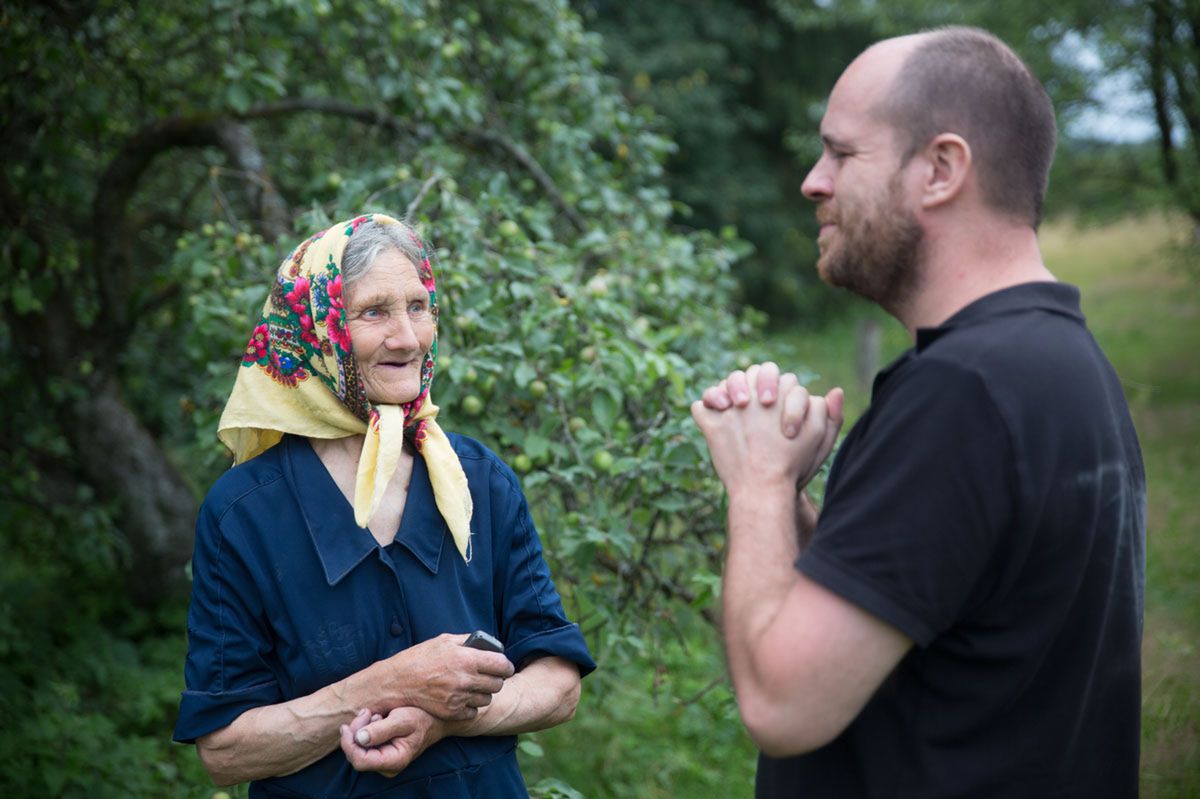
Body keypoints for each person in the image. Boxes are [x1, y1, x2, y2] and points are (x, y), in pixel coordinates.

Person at [691, 27, 1145, 799]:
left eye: (841, 153)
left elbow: (781, 702)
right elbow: (927, 603)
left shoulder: (961, 393)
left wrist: (758, 483)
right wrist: (798, 509)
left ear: (941, 168)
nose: (812, 181)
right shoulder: (1059, 363)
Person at [173, 213, 595, 798]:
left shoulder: (479, 479)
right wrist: (392, 682)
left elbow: (559, 679)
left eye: (418, 307)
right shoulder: (244, 513)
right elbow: (224, 752)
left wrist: (446, 720)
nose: (408, 338)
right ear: (317, 329)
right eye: (373, 312)